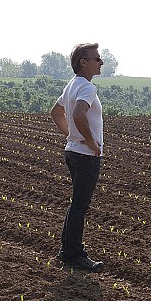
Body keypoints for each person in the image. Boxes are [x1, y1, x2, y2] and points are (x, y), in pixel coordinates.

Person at [50, 43, 105, 272]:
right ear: (83, 62)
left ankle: (67, 251)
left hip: (73, 151)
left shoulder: (72, 85)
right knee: (80, 205)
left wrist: (71, 135)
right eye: (97, 58)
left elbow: (56, 112)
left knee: (76, 204)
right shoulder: (87, 88)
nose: (101, 62)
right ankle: (74, 254)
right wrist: (91, 141)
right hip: (85, 155)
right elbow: (77, 113)